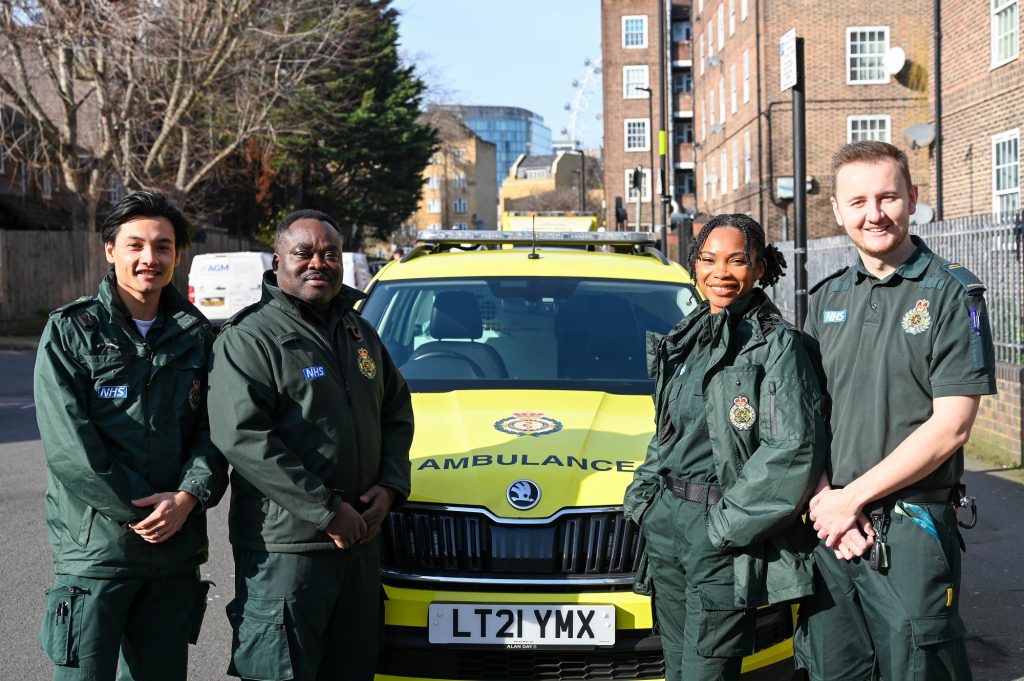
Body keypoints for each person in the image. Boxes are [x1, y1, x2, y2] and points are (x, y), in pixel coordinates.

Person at [794, 141, 996, 681]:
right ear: (837, 211)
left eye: (887, 197)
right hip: (831, 530)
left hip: (910, 528)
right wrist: (825, 503)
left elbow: (952, 426)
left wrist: (852, 499)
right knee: (832, 669)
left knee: (918, 667)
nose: (873, 214)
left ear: (913, 198)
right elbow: (801, 419)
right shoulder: (824, 299)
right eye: (857, 201)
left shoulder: (953, 295)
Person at [208, 209, 414, 681]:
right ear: (278, 259)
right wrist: (325, 510)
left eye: (330, 253)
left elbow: (396, 411)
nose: (318, 262)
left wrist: (390, 486)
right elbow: (245, 438)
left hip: (359, 548)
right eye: (304, 252)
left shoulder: (359, 331)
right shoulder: (249, 339)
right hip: (290, 554)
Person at [34, 191, 227, 681]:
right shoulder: (71, 331)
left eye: (163, 247)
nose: (149, 258)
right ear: (110, 250)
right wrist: (142, 510)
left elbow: (215, 433)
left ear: (176, 256)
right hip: (96, 554)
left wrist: (187, 498)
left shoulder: (197, 335)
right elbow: (70, 449)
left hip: (173, 553)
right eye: (136, 244)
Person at [624, 213, 825, 681]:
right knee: (675, 666)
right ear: (694, 265)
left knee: (706, 672)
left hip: (723, 533)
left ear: (759, 267)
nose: (721, 272)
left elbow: (792, 450)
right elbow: (669, 432)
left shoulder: (778, 347)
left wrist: (724, 527)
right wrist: (645, 500)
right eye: (710, 259)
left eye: (737, 260)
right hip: (668, 525)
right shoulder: (688, 338)